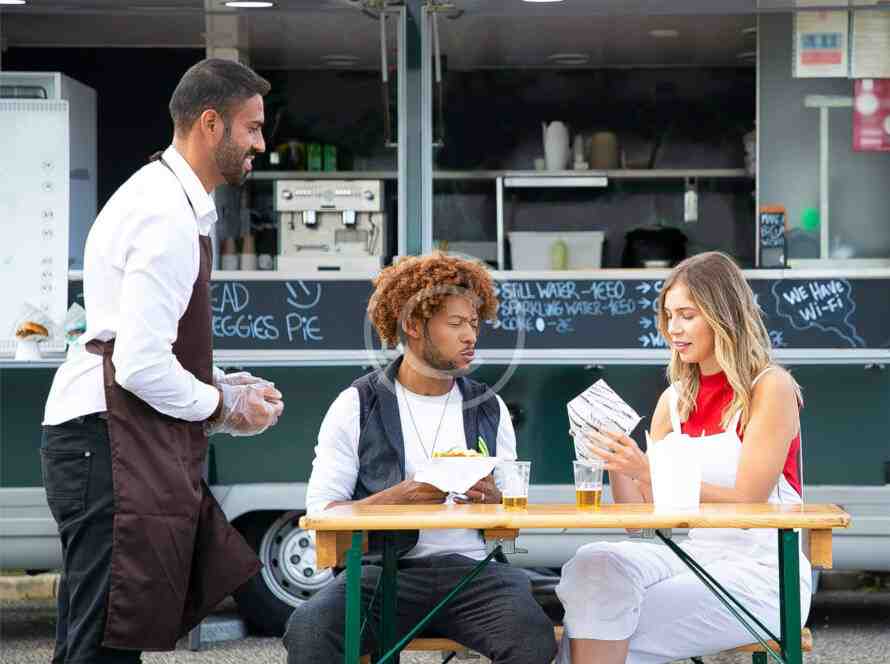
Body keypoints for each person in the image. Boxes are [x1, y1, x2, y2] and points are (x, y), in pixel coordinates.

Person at [41, 58, 284, 663]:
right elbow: (141, 365)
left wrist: (222, 383)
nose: (260, 143)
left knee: (96, 640)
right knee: (104, 644)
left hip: (102, 438)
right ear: (210, 123)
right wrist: (224, 406)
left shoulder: (164, 196)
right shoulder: (167, 214)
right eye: (252, 127)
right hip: (105, 443)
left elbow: (140, 342)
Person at [282, 252, 557, 664]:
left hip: (474, 574)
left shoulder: (488, 406)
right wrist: (399, 499)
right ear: (413, 325)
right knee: (310, 628)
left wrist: (495, 501)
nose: (471, 337)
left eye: (474, 324)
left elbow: (508, 527)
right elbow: (322, 512)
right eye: (456, 324)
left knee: (532, 637)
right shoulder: (357, 403)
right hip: (383, 574)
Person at [555, 251, 809, 664]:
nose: (673, 328)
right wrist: (617, 460)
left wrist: (648, 469)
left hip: (762, 572)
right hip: (692, 556)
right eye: (669, 316)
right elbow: (640, 521)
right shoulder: (672, 401)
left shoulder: (769, 388)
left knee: (598, 624)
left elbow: (749, 502)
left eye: (687, 316)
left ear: (724, 316)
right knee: (594, 565)